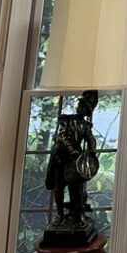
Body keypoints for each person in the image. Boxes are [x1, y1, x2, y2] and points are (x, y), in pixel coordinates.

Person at [45, 90, 99, 228]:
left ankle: (77, 215)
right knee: (58, 187)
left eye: (86, 108)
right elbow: (61, 137)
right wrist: (72, 150)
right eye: (82, 105)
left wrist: (92, 149)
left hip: (75, 161)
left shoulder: (86, 126)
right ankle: (60, 215)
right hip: (60, 157)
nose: (83, 109)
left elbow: (90, 138)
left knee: (76, 189)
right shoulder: (66, 120)